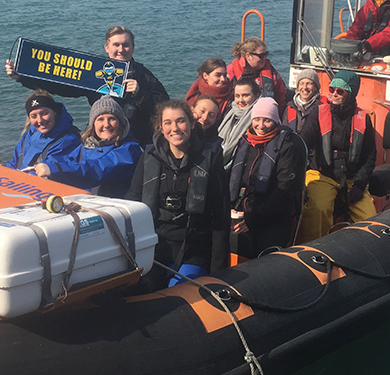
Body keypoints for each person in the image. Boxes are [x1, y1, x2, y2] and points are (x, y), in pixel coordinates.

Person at [126, 100, 230, 289]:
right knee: (140, 290)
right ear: (160, 127)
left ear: (191, 123)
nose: (175, 128)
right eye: (168, 123)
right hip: (155, 246)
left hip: (194, 248)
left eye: (181, 121)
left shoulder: (210, 158)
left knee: (179, 291)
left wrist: (220, 271)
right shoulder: (148, 156)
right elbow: (132, 200)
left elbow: (221, 217)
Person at [6, 25, 168, 145]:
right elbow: (61, 86)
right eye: (116, 45)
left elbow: (164, 108)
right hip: (103, 136)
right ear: (107, 48)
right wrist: (21, 77)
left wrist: (140, 94)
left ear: (132, 48)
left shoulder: (143, 75)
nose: (121, 49)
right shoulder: (95, 71)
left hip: (137, 140)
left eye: (125, 45)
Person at [297, 71, 377, 243]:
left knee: (370, 219)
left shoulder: (364, 119)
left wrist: (359, 184)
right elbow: (301, 144)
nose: (334, 94)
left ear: (351, 93)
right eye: (332, 89)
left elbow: (370, 155)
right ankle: (312, 252)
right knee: (318, 210)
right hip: (322, 175)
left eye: (340, 91)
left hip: (352, 179)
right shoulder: (317, 113)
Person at [228, 97, 307, 259]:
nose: (261, 126)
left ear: (276, 120)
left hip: (272, 216)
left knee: (264, 253)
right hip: (242, 210)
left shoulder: (288, 145)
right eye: (256, 120)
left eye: (267, 120)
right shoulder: (245, 142)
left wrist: (252, 218)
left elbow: (285, 191)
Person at [34, 95, 143, 198]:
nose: (106, 125)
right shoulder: (86, 145)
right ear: (93, 124)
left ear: (121, 123)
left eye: (112, 119)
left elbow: (97, 169)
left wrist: (54, 169)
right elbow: (67, 160)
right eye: (100, 119)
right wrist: (40, 169)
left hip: (114, 209)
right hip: (85, 202)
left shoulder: (130, 150)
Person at [5, 90, 81, 172]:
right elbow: (15, 163)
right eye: (34, 116)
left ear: (54, 112)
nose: (40, 120)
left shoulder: (68, 140)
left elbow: (51, 173)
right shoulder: (30, 133)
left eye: (44, 113)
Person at [226, 38, 287, 114]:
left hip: (264, 115)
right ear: (248, 55)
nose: (264, 58)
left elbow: (281, 95)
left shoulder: (271, 72)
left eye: (266, 54)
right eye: (261, 56)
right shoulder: (230, 71)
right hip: (238, 114)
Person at [217, 77, 261, 169]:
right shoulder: (230, 112)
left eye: (245, 95)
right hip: (221, 165)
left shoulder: (260, 119)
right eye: (237, 96)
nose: (240, 100)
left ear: (256, 95)